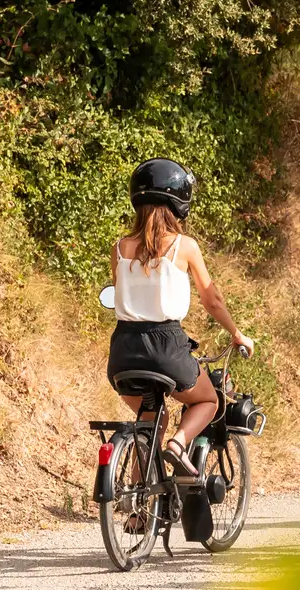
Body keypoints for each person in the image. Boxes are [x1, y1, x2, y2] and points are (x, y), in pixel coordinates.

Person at [106, 158, 254, 481]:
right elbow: (212, 299)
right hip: (166, 348)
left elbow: (120, 293)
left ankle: (136, 510)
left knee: (151, 420)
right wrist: (237, 334)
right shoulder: (184, 247)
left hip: (123, 352)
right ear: (178, 203)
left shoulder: (118, 248)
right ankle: (178, 442)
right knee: (210, 400)